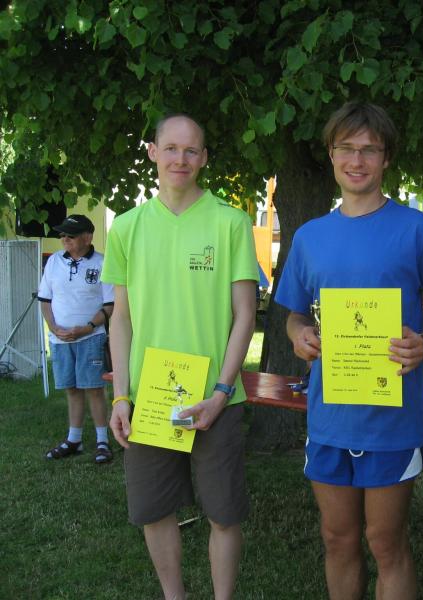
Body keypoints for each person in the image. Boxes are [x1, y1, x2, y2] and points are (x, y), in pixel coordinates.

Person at [275, 101, 423, 600]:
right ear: (331, 154)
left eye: (370, 150)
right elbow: (294, 315)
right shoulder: (310, 237)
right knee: (337, 539)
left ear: (386, 158)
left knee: (386, 543)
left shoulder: (416, 229)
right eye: (347, 148)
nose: (357, 160)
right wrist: (298, 335)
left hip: (390, 416)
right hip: (330, 414)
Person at [103, 113, 258, 600]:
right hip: (150, 397)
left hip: (216, 398)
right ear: (153, 152)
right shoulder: (127, 227)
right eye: (170, 148)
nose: (180, 159)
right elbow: (121, 319)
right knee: (154, 509)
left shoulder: (231, 222)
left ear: (204, 158)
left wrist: (222, 391)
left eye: (191, 150)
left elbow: (245, 315)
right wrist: (121, 396)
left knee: (224, 514)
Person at [38, 214, 115, 464]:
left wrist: (88, 328)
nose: (64, 239)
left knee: (94, 388)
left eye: (70, 235)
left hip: (91, 338)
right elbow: (45, 300)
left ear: (87, 237)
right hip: (60, 340)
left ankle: (102, 441)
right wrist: (53, 327)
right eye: (62, 235)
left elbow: (110, 305)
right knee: (71, 388)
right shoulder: (54, 262)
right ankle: (75, 440)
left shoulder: (103, 263)